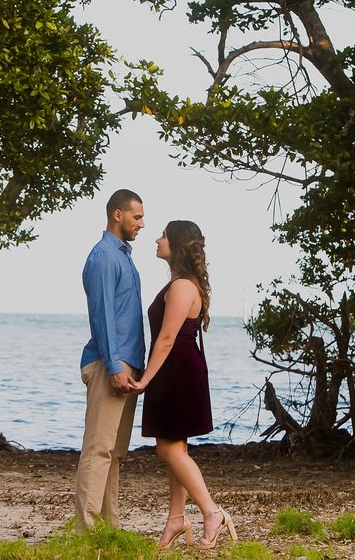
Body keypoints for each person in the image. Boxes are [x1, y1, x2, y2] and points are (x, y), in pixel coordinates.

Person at [131, 220, 237, 549]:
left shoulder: (181, 287)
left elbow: (165, 339)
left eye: (163, 235)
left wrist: (145, 379)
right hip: (176, 369)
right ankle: (176, 519)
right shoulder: (182, 283)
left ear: (177, 244)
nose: (157, 239)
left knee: (167, 449)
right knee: (177, 449)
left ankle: (211, 512)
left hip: (175, 371)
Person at [74, 189, 146, 531]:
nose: (142, 224)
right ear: (117, 215)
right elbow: (102, 316)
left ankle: (109, 525)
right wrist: (115, 366)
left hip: (125, 364)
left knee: (115, 452)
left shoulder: (124, 255)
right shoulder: (104, 256)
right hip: (109, 365)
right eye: (137, 217)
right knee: (98, 448)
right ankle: (87, 529)